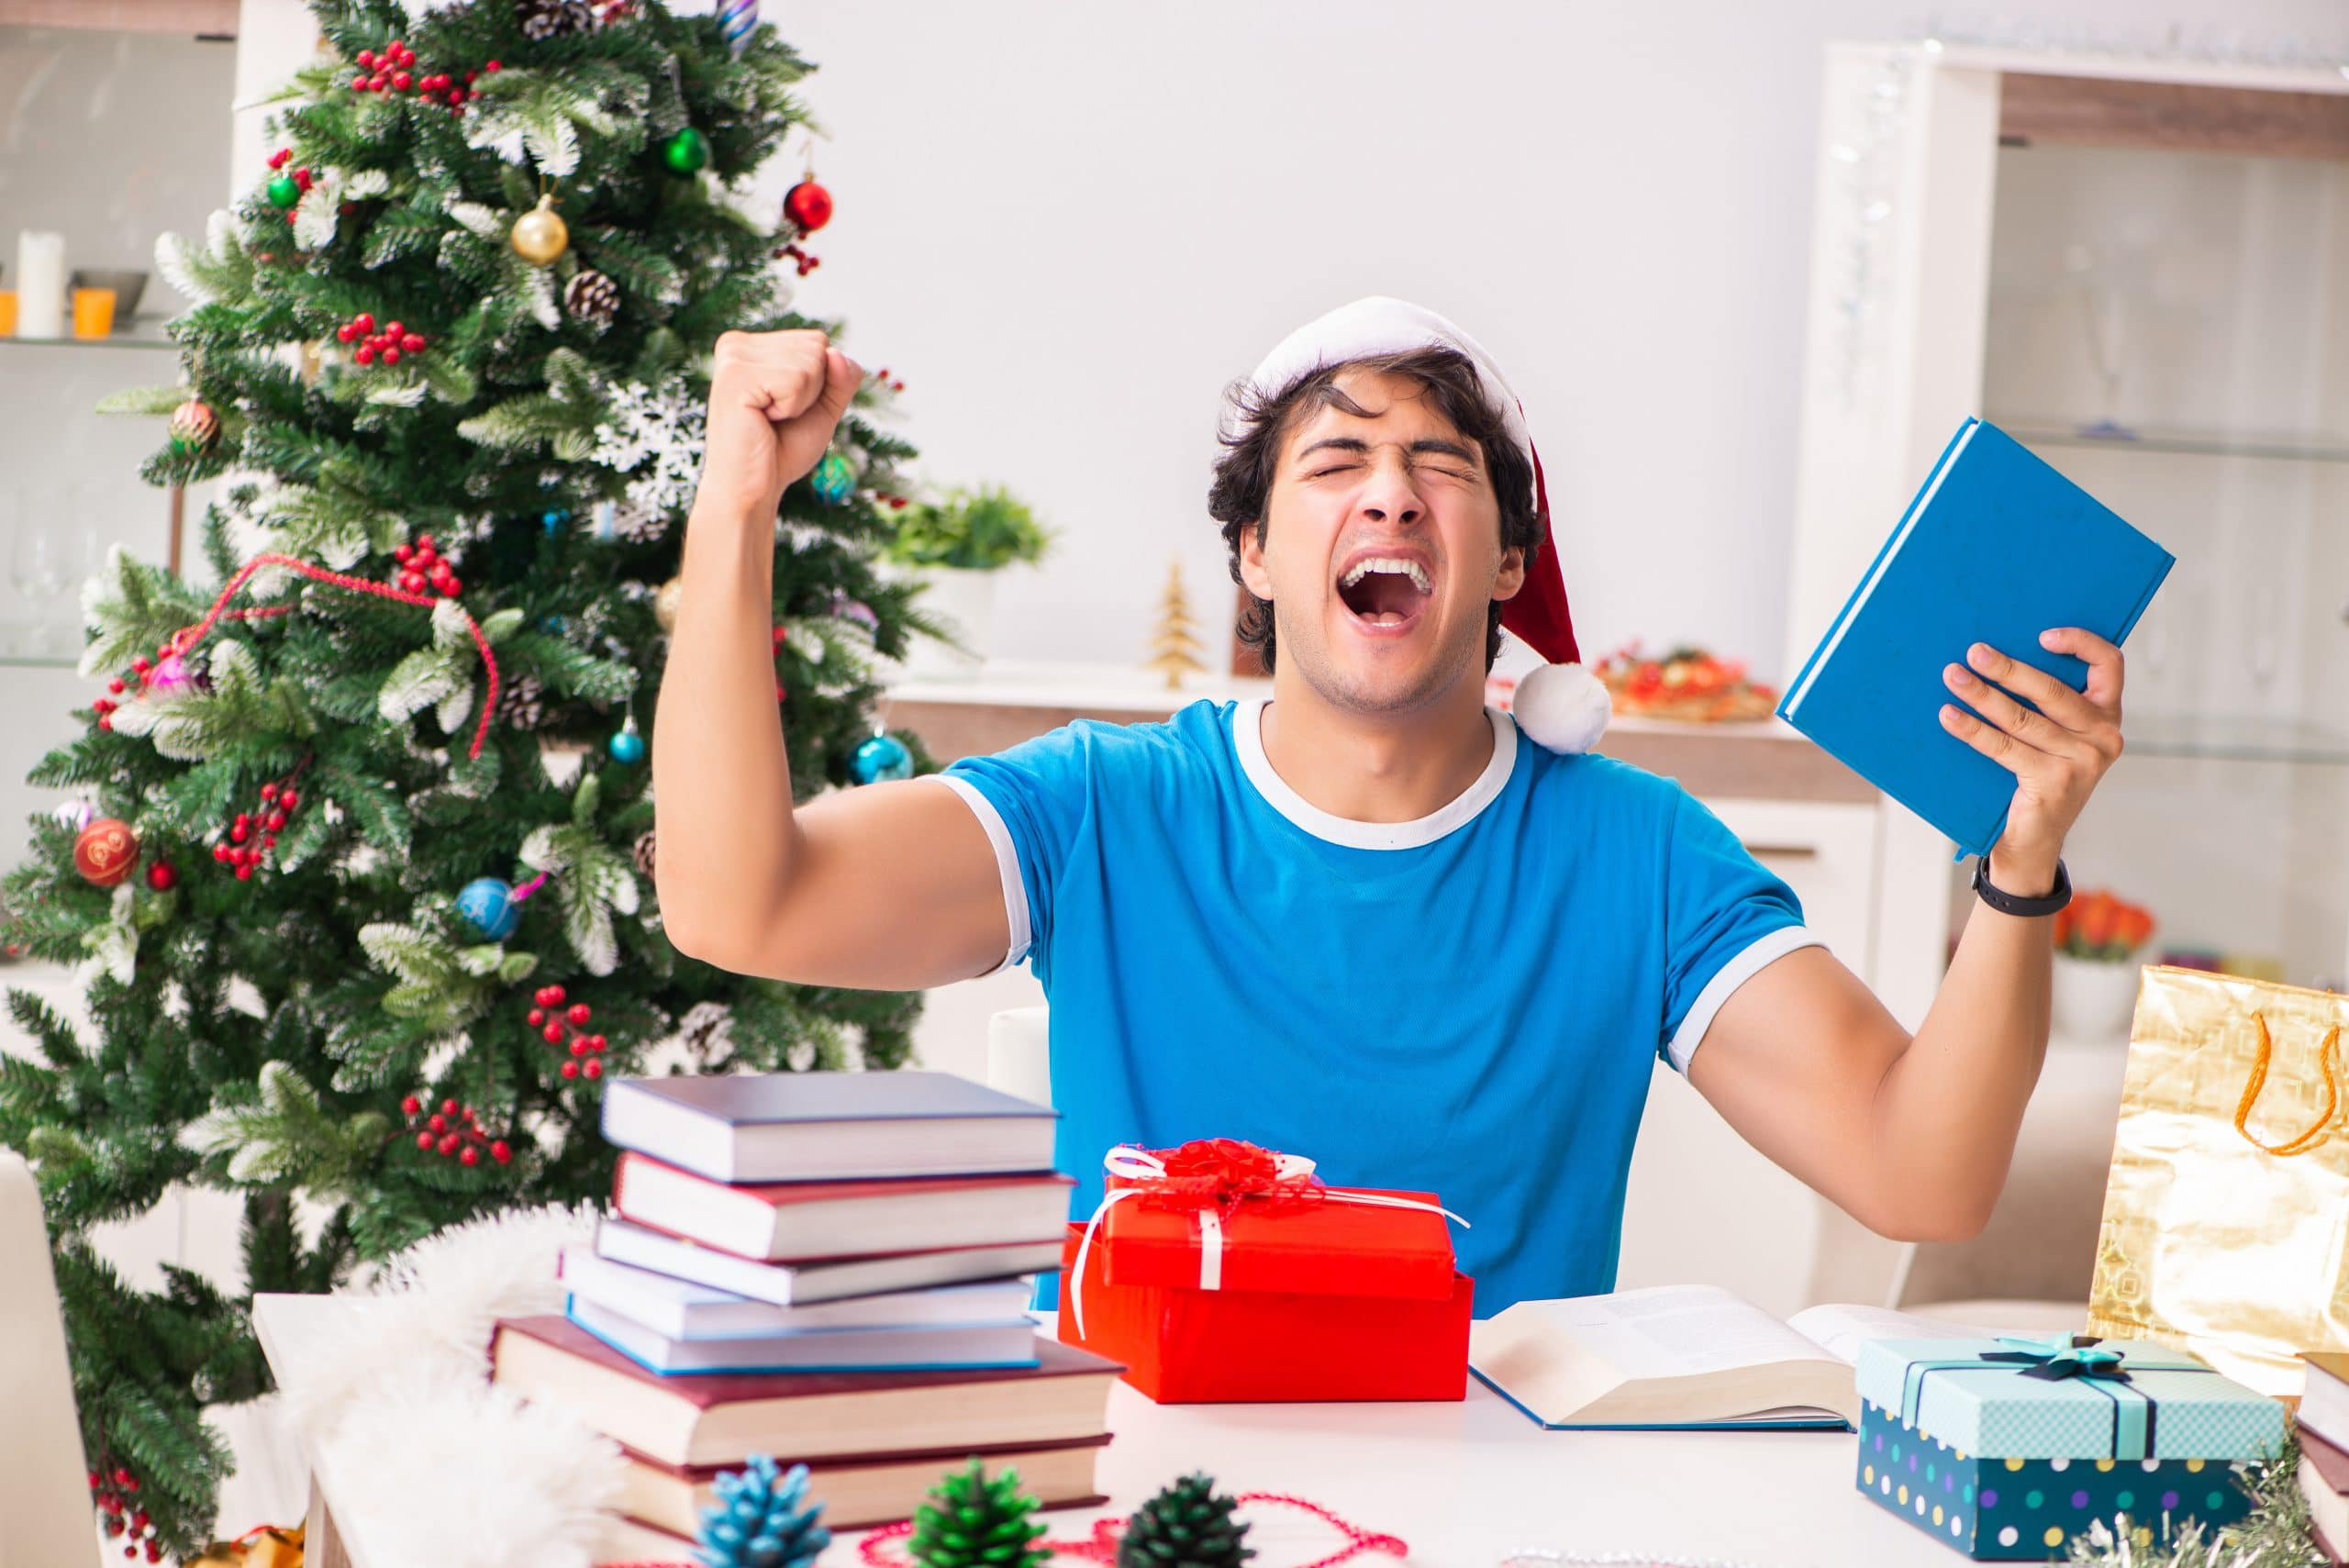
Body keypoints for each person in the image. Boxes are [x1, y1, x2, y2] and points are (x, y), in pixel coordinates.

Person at [652, 297, 2126, 1314]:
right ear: (1252, 553)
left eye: (1442, 468)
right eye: (1336, 464)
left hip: (1488, 1499)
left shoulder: (1638, 852)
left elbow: (1922, 1173)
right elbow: (738, 900)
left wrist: (2021, 868)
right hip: (1154, 1489)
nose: (1394, 496)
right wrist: (734, 510)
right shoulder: (1100, 811)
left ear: (1499, 565)